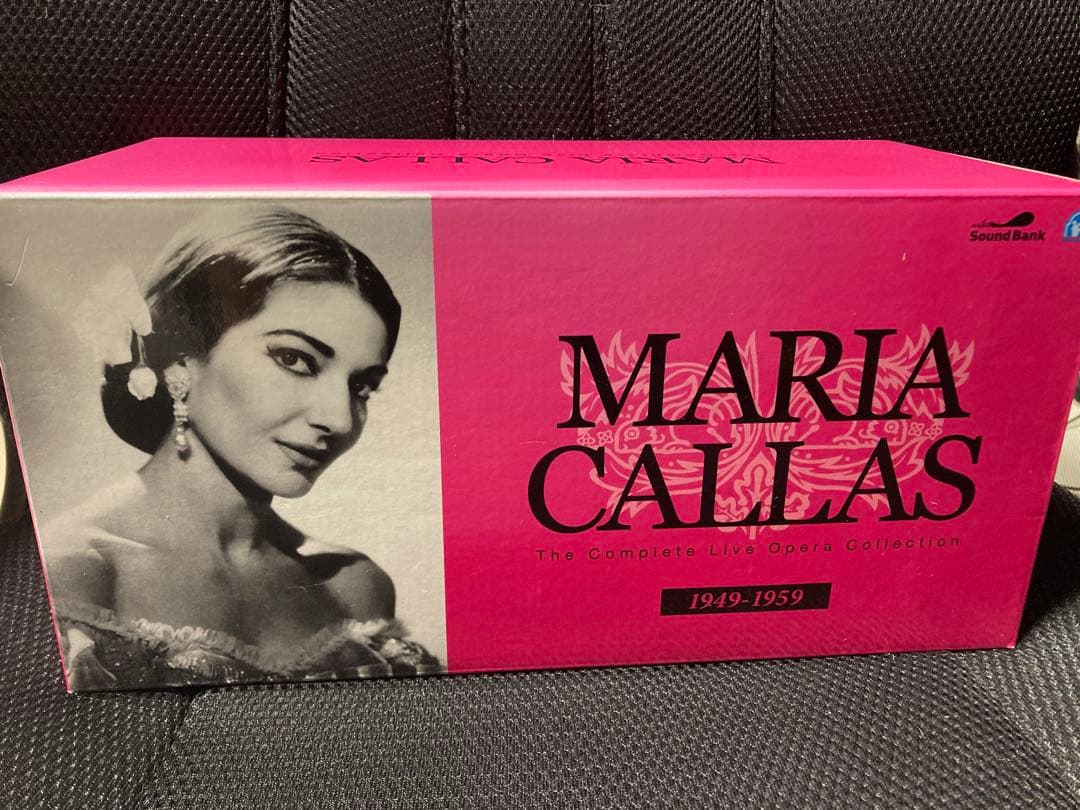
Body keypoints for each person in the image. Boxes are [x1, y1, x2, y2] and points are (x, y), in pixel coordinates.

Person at [44, 206, 441, 689]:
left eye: (362, 387)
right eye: (295, 359)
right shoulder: (72, 572)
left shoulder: (355, 587)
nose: (339, 419)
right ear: (182, 356)